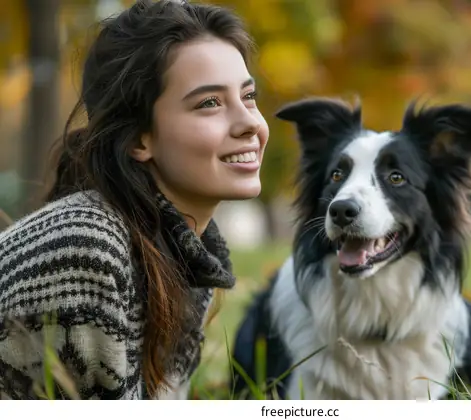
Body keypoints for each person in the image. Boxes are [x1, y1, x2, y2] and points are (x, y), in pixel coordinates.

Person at [0, 0, 269, 400]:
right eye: (209, 102)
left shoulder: (183, 251)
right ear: (140, 138)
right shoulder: (88, 249)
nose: (250, 122)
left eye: (248, 96)